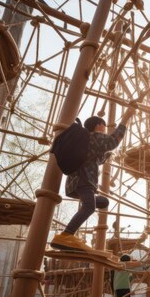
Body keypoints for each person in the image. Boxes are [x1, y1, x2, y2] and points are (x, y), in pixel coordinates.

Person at [51, 106, 135, 252]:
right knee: (89, 207)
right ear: (99, 125)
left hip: (75, 182)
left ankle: (68, 235)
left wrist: (108, 155)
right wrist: (126, 117)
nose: (105, 129)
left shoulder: (86, 141)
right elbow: (113, 141)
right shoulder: (94, 136)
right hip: (84, 180)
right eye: (104, 126)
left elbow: (97, 157)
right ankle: (66, 235)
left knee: (103, 202)